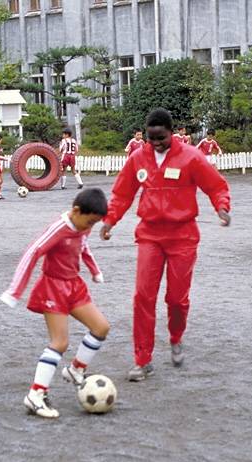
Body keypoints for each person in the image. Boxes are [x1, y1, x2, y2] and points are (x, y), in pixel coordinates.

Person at [99, 108, 231, 382]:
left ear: (172, 133)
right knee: (143, 296)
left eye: (161, 138)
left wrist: (222, 208)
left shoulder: (191, 157)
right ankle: (142, 359)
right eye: (151, 138)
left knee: (176, 298)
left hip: (183, 236)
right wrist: (110, 220)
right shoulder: (138, 158)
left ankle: (176, 337)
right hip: (149, 235)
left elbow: (216, 186)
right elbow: (122, 193)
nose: (156, 143)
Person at [0, 188, 110, 418]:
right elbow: (33, 252)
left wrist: (95, 271)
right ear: (76, 211)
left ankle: (75, 370)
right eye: (88, 222)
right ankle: (36, 395)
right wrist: (15, 291)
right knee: (60, 342)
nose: (89, 228)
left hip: (74, 286)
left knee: (101, 328)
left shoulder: (83, 227)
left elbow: (83, 246)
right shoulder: (59, 229)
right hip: (53, 288)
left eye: (94, 225)